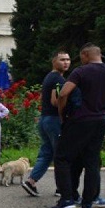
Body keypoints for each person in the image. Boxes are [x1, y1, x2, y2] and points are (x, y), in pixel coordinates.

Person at [48, 43, 105, 208]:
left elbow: (64, 93)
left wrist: (62, 113)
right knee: (92, 162)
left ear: (86, 54)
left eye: (81, 57)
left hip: (80, 120)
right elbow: (101, 102)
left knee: (62, 157)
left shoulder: (81, 71)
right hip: (101, 121)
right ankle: (88, 205)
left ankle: (66, 199)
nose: (80, 61)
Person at [22, 50, 71, 196]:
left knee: (47, 152)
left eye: (68, 60)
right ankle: (62, 188)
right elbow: (55, 101)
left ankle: (31, 181)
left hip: (44, 119)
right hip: (54, 120)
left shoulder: (49, 77)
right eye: (62, 59)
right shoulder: (58, 80)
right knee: (60, 155)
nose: (66, 62)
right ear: (54, 61)